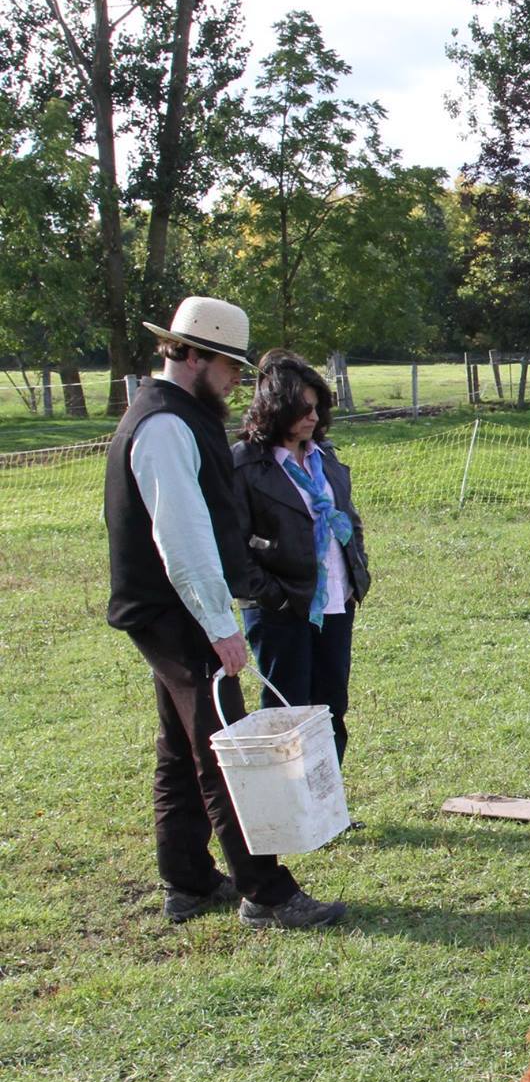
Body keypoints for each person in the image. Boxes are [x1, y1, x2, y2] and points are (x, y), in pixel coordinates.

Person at [104, 297, 346, 929]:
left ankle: (186, 881)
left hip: (171, 610)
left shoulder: (180, 415)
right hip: (177, 611)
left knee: (181, 745)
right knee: (222, 748)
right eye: (229, 365)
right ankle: (265, 892)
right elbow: (180, 539)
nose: (239, 378)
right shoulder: (162, 424)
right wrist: (219, 626)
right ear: (192, 354)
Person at [232, 350, 370, 770]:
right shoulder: (243, 464)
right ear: (275, 408)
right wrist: (273, 596)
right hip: (280, 610)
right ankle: (287, 811)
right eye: (301, 408)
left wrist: (356, 568)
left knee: (331, 705)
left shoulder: (324, 456)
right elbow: (232, 550)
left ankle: (328, 807)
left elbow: (348, 516)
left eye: (317, 407)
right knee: (287, 710)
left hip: (333, 602)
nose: (312, 417)